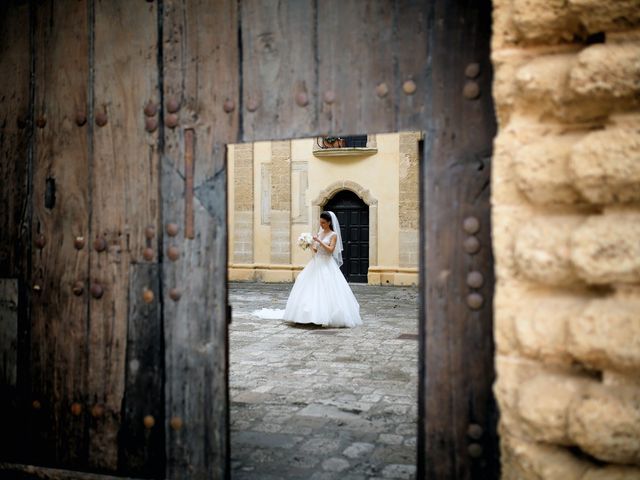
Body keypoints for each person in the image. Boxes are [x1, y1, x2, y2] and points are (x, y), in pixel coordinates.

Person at [252, 211, 362, 328]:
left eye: (324, 223)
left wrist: (319, 241)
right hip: (316, 262)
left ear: (329, 222)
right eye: (320, 222)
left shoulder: (333, 235)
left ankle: (325, 316)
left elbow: (330, 250)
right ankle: (306, 315)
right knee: (304, 281)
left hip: (326, 263)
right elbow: (316, 251)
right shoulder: (319, 233)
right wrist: (309, 245)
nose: (321, 225)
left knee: (326, 287)